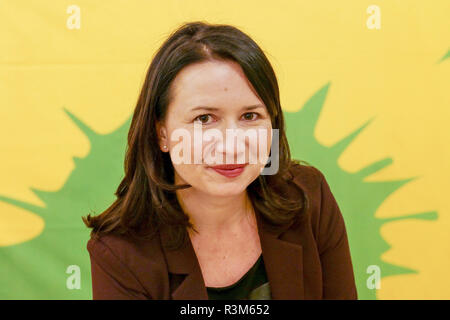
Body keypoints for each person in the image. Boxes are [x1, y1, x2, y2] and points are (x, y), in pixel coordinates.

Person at [83, 21, 357, 300]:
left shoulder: (309, 197)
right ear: (161, 132)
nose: (232, 145)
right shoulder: (119, 252)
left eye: (250, 116)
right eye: (204, 119)